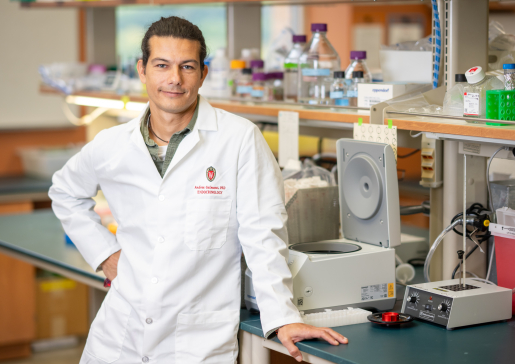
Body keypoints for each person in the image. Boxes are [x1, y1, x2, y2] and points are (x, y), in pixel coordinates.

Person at [49, 16, 347, 364]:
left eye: (187, 66)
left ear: (203, 74)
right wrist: (104, 254)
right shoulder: (113, 143)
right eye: (162, 65)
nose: (174, 79)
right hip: (118, 339)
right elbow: (65, 192)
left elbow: (262, 234)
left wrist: (283, 317)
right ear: (142, 70)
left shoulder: (239, 139)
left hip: (195, 343)